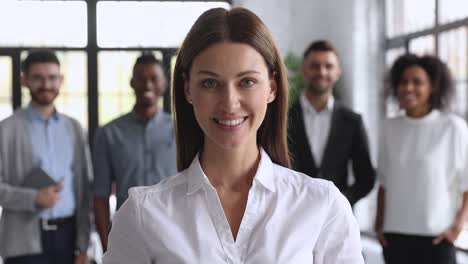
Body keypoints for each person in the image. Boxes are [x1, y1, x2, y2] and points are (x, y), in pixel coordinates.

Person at [103, 7, 363, 264]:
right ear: (187, 90)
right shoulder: (143, 214)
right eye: (210, 83)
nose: (229, 102)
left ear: (271, 88)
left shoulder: (323, 206)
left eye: (247, 81)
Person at [0, 50, 92, 263]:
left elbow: (84, 189)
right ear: (24, 80)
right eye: (38, 78)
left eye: (52, 78)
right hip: (23, 241)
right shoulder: (6, 130)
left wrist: (83, 244)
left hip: (68, 237)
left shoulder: (75, 128)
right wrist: (33, 198)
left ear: (61, 80)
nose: (46, 84)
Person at [375, 54, 468, 264]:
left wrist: (457, 228)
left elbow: (466, 185)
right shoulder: (389, 128)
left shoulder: (452, 127)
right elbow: (384, 182)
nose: (408, 88)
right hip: (395, 238)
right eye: (403, 82)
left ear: (433, 87)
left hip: (436, 238)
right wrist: (379, 224)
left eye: (417, 82)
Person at [93, 53, 177, 251]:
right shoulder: (109, 133)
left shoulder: (181, 130)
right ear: (132, 83)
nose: (147, 84)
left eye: (154, 78)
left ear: (164, 84)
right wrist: (108, 248)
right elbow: (100, 195)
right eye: (141, 78)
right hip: (127, 235)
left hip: (174, 234)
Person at [288, 40, 375, 206]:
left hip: (337, 221)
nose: (321, 72)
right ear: (304, 70)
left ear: (338, 72)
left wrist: (340, 202)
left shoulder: (353, 122)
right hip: (291, 216)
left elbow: (366, 179)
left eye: (328, 66)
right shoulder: (282, 119)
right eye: (314, 65)